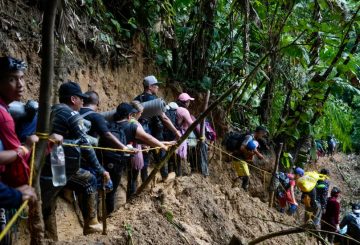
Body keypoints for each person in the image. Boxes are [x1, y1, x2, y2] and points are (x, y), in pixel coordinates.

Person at [40, 81, 110, 238]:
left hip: (47, 165)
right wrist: (100, 170)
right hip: (60, 166)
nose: (83, 101)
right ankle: (91, 223)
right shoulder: (71, 114)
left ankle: (50, 238)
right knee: (90, 180)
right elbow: (85, 145)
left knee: (48, 203)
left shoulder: (52, 110)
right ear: (73, 99)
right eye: (80, 98)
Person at [98, 103, 168, 213]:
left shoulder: (110, 124)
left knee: (103, 189)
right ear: (130, 115)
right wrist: (162, 146)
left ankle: (101, 215)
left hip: (102, 160)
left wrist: (163, 143)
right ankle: (109, 217)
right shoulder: (131, 126)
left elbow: (141, 140)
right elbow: (147, 138)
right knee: (111, 191)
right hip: (117, 163)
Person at [0, 57, 39, 188]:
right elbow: (18, 157)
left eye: (21, 78)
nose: (20, 84)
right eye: (12, 79)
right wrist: (26, 147)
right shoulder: (4, 116)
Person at [134, 75, 180, 182]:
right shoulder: (154, 100)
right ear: (150, 87)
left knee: (144, 157)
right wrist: (176, 131)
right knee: (160, 153)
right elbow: (164, 118)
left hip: (139, 131)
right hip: (153, 131)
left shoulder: (137, 99)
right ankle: (164, 176)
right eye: (156, 85)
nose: (157, 88)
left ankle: (143, 181)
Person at [175, 93, 195, 176]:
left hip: (172, 132)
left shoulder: (174, 107)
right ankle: (179, 174)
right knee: (179, 156)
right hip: (180, 134)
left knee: (174, 157)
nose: (189, 103)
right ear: (185, 102)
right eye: (188, 101)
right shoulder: (184, 111)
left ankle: (174, 172)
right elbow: (192, 124)